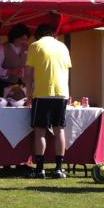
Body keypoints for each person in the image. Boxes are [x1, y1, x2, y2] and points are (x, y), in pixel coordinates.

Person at [24, 21, 72, 179]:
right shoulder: (63, 46)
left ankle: (40, 169)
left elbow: (28, 73)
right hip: (61, 92)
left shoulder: (35, 46)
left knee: (40, 131)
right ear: (53, 34)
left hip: (43, 93)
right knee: (59, 130)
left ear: (38, 35)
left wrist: (29, 93)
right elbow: (67, 70)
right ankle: (59, 168)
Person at [0, 23, 30, 101]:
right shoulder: (1, 49)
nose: (24, 42)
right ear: (15, 37)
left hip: (21, 87)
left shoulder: (26, 48)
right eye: (22, 39)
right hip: (3, 87)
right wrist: (10, 71)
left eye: (26, 39)